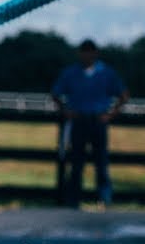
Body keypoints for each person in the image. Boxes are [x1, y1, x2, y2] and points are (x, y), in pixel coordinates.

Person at [51, 39, 129, 208]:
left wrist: (110, 114)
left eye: (90, 52)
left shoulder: (106, 72)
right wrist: (65, 111)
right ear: (79, 53)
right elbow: (55, 93)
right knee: (76, 162)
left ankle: (104, 198)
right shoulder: (70, 73)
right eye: (84, 52)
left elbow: (123, 95)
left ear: (95, 53)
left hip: (98, 120)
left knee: (101, 161)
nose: (87, 55)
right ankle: (74, 199)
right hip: (78, 120)